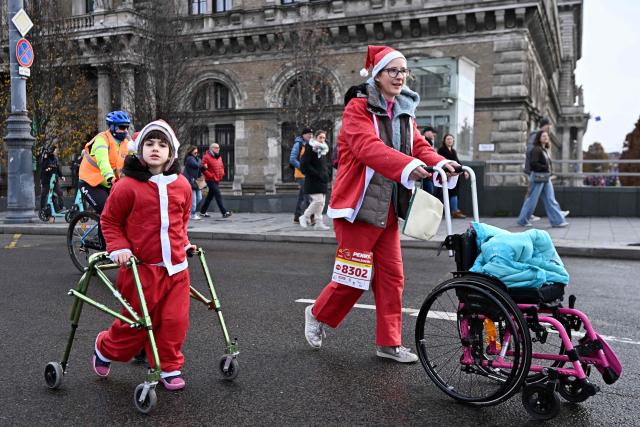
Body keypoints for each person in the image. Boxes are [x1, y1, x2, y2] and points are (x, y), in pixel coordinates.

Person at [304, 45, 459, 363]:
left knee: (392, 276)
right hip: (358, 208)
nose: (400, 76)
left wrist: (439, 163)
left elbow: (417, 144)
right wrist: (405, 167)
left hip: (388, 206)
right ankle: (317, 314)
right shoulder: (358, 109)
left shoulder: (403, 109)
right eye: (393, 70)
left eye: (404, 71)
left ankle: (389, 343)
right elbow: (367, 147)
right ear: (377, 74)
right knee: (353, 279)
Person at [92, 119, 194, 391]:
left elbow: (181, 221)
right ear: (139, 149)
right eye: (150, 143)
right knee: (134, 328)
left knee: (175, 321)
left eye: (162, 145)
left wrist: (183, 244)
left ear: (171, 153)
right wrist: (119, 248)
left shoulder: (182, 185)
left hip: (176, 269)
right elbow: (110, 221)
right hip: (141, 269)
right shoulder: (126, 186)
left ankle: (168, 366)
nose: (156, 149)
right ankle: (105, 347)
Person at [78, 111, 131, 214]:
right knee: (106, 212)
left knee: (122, 211)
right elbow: (103, 161)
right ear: (112, 127)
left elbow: (136, 157)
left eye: (127, 127)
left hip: (109, 183)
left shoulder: (125, 143)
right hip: (90, 183)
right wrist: (110, 177)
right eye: (122, 127)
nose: (125, 130)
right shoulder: (102, 139)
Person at [517, 130, 569, 228]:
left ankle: (557, 221)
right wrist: (545, 168)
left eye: (546, 136)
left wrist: (548, 170)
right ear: (539, 138)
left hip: (545, 177)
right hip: (538, 177)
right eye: (543, 136)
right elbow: (533, 164)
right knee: (532, 199)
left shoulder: (544, 150)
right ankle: (522, 220)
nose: (546, 137)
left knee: (550, 199)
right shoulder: (536, 149)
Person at [299, 130, 330, 230]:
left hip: (322, 179)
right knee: (318, 200)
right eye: (320, 137)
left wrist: (326, 174)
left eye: (323, 138)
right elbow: (304, 164)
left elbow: (324, 165)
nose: (322, 139)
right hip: (313, 179)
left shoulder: (324, 149)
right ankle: (305, 216)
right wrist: (316, 174)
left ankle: (318, 223)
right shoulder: (310, 148)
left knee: (322, 203)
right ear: (315, 137)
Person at [524, 117, 552, 222]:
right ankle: (525, 216)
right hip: (535, 171)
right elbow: (531, 152)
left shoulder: (540, 135)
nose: (550, 129)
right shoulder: (536, 135)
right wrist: (541, 164)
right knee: (531, 195)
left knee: (544, 195)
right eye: (549, 126)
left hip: (539, 171)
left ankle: (557, 213)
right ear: (545, 126)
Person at [437, 133, 468, 219]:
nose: (450, 141)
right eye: (448, 139)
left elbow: (457, 162)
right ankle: (451, 211)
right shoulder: (441, 150)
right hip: (445, 175)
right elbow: (442, 162)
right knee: (443, 193)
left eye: (451, 139)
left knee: (454, 192)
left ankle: (454, 211)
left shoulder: (453, 151)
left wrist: (464, 170)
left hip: (454, 175)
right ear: (444, 141)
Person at [200, 143, 232, 218]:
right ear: (212, 148)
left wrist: (222, 173)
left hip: (217, 179)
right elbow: (202, 168)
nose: (218, 149)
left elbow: (221, 166)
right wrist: (210, 175)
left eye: (218, 148)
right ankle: (224, 212)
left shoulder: (219, 157)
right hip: (210, 180)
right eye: (216, 147)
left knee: (210, 197)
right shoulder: (206, 157)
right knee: (217, 194)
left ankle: (202, 212)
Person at [289, 127, 313, 223]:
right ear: (303, 135)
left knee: (302, 196)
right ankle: (311, 217)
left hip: (308, 174)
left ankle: (297, 216)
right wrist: (303, 168)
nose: (310, 136)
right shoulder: (298, 144)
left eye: (311, 134)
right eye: (308, 134)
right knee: (308, 195)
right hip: (300, 174)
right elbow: (292, 159)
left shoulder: (310, 145)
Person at [39, 145, 66, 211]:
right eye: (55, 150)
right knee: (44, 194)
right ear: (52, 151)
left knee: (59, 193)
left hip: (54, 180)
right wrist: (45, 157)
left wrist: (61, 176)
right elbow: (43, 167)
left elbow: (57, 168)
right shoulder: (46, 158)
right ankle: (43, 209)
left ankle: (61, 207)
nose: (57, 152)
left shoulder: (55, 159)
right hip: (47, 180)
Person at [182, 145, 205, 220]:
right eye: (195, 151)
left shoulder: (195, 158)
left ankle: (189, 211)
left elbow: (200, 167)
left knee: (199, 198)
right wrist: (200, 162)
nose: (196, 152)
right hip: (191, 181)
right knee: (194, 199)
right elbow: (197, 165)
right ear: (191, 151)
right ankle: (192, 214)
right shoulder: (190, 158)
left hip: (196, 182)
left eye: (197, 151)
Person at [421, 126, 437, 194]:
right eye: (432, 132)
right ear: (427, 132)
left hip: (428, 174)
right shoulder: (423, 140)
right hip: (424, 173)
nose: (434, 135)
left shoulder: (429, 142)